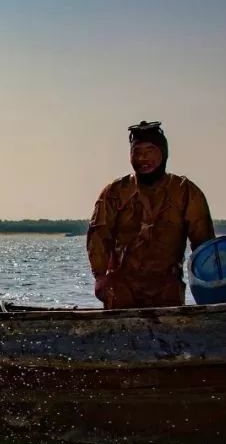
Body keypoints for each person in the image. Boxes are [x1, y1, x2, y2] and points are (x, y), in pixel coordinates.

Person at [86, 121, 215, 309]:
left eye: (150, 151)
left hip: (166, 287)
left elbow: (204, 244)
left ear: (163, 153)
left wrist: (211, 282)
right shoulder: (115, 192)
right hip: (122, 288)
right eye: (137, 152)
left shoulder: (185, 192)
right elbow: (98, 236)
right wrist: (100, 277)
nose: (143, 158)